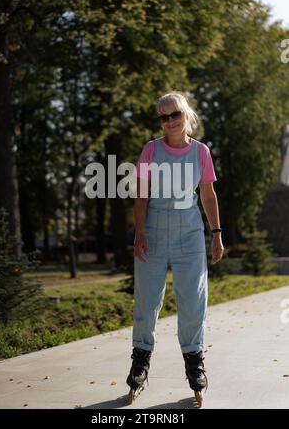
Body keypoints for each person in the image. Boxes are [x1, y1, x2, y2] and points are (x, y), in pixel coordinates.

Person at [126, 91, 224, 407]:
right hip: (153, 231)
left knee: (193, 300)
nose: (169, 121)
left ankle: (195, 364)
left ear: (186, 115)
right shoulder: (151, 150)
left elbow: (208, 195)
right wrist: (139, 231)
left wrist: (216, 233)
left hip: (190, 234)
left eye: (175, 114)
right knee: (146, 299)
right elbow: (141, 193)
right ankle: (140, 362)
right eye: (163, 116)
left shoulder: (201, 152)